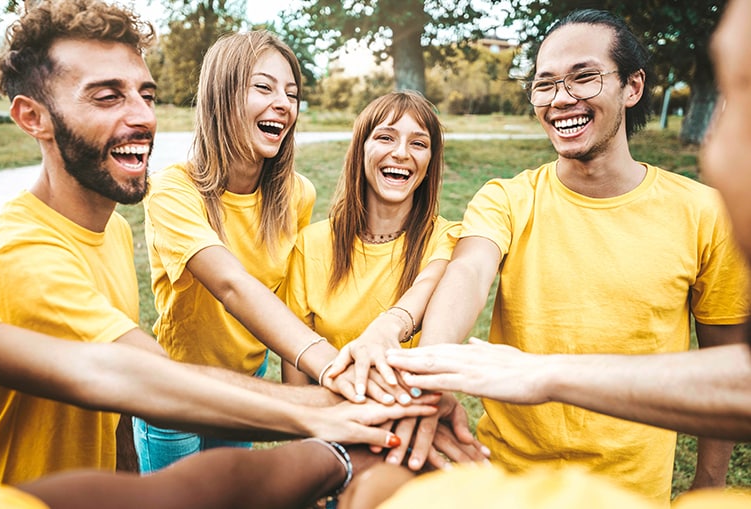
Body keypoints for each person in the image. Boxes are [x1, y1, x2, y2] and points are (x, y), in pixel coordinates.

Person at [0, 0, 433, 486]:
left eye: (146, 95)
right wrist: (328, 399)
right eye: (107, 96)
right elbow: (137, 372)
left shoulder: (110, 230)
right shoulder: (10, 255)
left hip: (161, 441)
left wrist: (131, 477)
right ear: (33, 118)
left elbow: (114, 403)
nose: (142, 117)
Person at [384, 8, 750, 505]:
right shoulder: (506, 198)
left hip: (632, 492)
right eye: (545, 84)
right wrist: (431, 375)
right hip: (503, 481)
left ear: (633, 87)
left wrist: (710, 483)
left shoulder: (704, 213)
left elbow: (725, 358)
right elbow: (468, 272)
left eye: (584, 78)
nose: (560, 100)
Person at [135, 31, 429, 472]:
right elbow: (232, 285)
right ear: (224, 94)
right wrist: (330, 366)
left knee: (228, 496)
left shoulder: (296, 195)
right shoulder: (173, 190)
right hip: (177, 383)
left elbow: (289, 295)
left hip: (247, 386)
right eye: (264, 87)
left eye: (291, 93)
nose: (283, 104)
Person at [282, 91, 484, 471]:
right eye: (386, 137)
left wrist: (387, 327)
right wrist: (308, 449)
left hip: (405, 442)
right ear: (361, 149)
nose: (402, 153)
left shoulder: (449, 238)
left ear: (429, 162)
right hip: (332, 437)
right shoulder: (311, 244)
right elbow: (296, 371)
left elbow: (429, 285)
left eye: (418, 143)